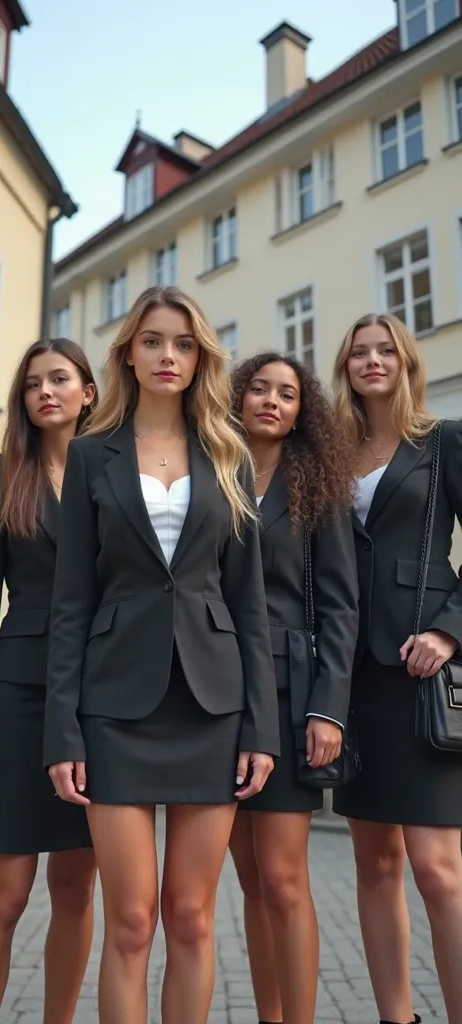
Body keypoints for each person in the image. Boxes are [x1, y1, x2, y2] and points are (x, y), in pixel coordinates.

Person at [43, 285, 280, 1024]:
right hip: (112, 707)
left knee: (191, 917)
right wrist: (63, 731)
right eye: (152, 341)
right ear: (128, 354)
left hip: (213, 705)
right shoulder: (89, 457)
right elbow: (70, 602)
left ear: (199, 355)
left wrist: (261, 730)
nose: (167, 355)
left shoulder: (230, 454)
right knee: (133, 922)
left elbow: (249, 604)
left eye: (182, 343)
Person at [0, 338, 98, 1024]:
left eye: (60, 378)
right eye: (34, 382)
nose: (46, 391)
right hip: (17, 692)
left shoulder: (118, 473)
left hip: (101, 696)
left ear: (88, 392)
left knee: (76, 886)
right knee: (5, 891)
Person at [332, 312, 462, 1024]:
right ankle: (395, 1017)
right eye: (359, 352)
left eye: (385, 350)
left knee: (439, 874)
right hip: (351, 677)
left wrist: (449, 632)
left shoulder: (441, 443)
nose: (372, 360)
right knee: (374, 864)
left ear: (407, 362)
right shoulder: (333, 453)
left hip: (421, 672)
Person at [228, 352, 359, 1024]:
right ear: (238, 398)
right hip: (214, 692)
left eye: (287, 393)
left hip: (286, 691)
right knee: (248, 879)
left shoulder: (319, 485)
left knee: (282, 878)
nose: (272, 401)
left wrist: (327, 707)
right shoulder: (211, 471)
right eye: (259, 389)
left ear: (302, 408)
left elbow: (340, 605)